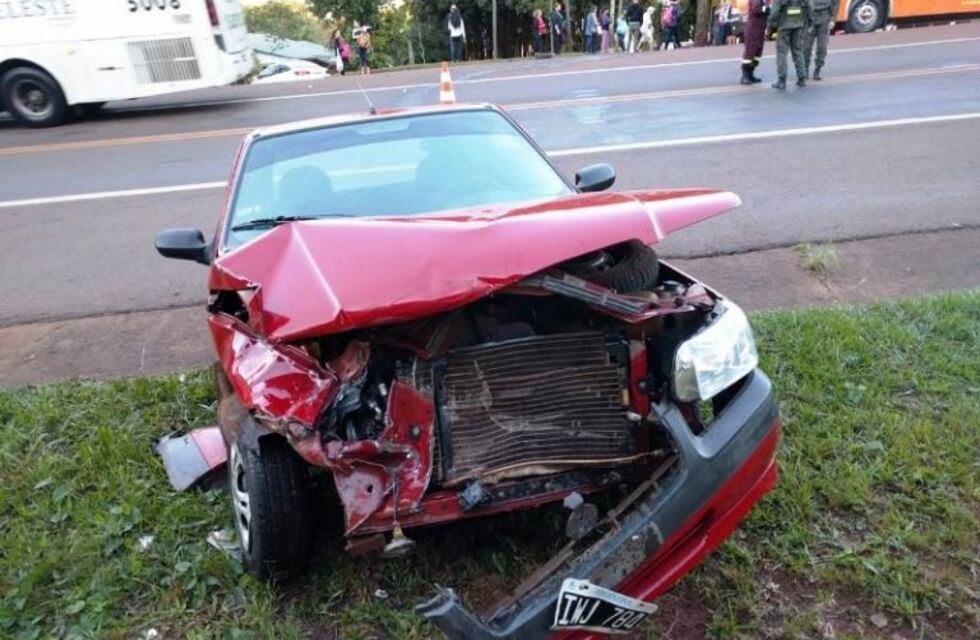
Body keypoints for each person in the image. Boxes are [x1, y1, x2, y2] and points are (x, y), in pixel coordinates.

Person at [768, 0, 811, 89]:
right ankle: (801, 78)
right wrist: (809, 22)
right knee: (797, 51)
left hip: (784, 26)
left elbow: (774, 11)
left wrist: (771, 24)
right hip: (798, 24)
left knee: (782, 53)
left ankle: (782, 80)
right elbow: (809, 6)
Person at [805, 0, 838, 80]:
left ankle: (818, 69)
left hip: (824, 17)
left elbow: (835, 3)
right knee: (806, 47)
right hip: (810, 17)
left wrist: (833, 19)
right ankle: (805, 70)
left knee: (822, 47)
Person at [740, 0, 769, 84]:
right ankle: (745, 75)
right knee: (750, 52)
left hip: (760, 28)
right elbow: (756, 8)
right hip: (753, 28)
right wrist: (766, 9)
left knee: (757, 52)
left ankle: (750, 74)